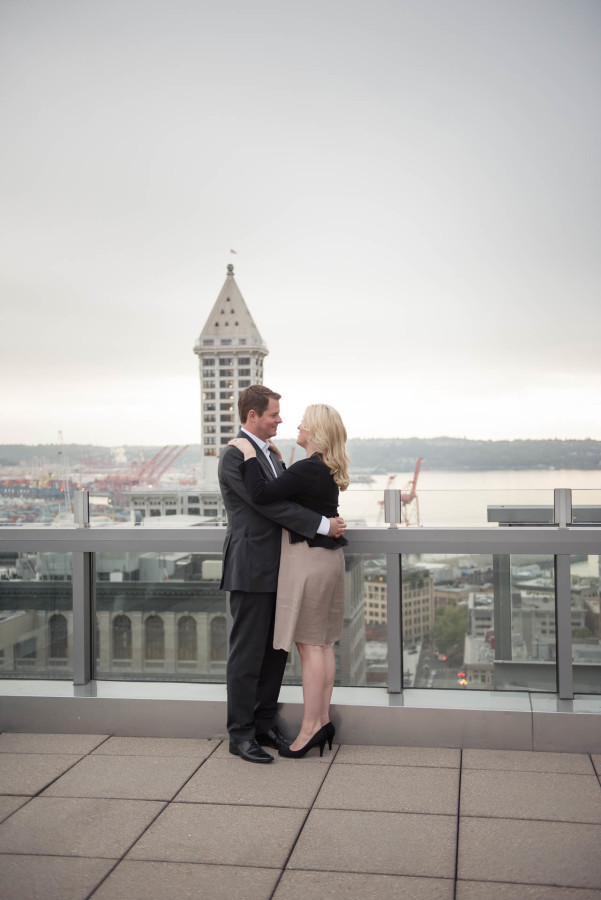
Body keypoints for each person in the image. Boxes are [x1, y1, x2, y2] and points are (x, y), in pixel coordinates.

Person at [219, 385, 346, 764]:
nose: (280, 420)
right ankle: (240, 734)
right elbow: (266, 507)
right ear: (253, 416)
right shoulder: (234, 455)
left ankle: (263, 724)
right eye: (273, 414)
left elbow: (286, 497)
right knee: (246, 655)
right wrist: (322, 525)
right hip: (252, 568)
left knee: (276, 653)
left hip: (283, 569)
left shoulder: (271, 454)